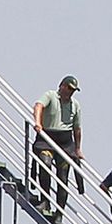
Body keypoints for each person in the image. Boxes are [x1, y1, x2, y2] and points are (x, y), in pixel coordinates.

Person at [31, 76, 83, 214]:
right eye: (69, 89)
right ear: (62, 86)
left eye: (73, 90)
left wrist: (78, 149)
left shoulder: (75, 104)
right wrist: (38, 123)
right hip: (47, 138)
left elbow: (77, 128)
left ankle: (60, 212)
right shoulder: (50, 95)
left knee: (63, 176)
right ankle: (45, 200)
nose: (70, 92)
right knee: (45, 163)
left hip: (65, 142)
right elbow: (38, 106)